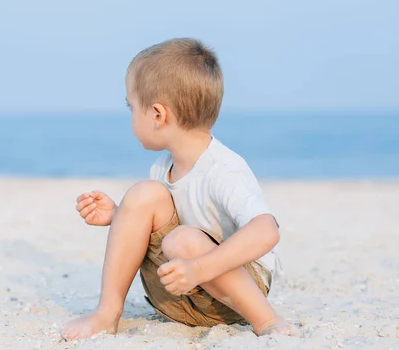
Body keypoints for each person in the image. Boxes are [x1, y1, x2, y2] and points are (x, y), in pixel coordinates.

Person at [61, 38, 297, 340]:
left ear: (158, 115)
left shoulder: (223, 169)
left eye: (131, 107)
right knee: (142, 195)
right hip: (178, 294)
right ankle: (107, 313)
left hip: (237, 296)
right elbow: (164, 229)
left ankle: (266, 320)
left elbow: (267, 230)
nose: (130, 115)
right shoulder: (162, 168)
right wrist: (121, 215)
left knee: (183, 241)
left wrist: (200, 268)